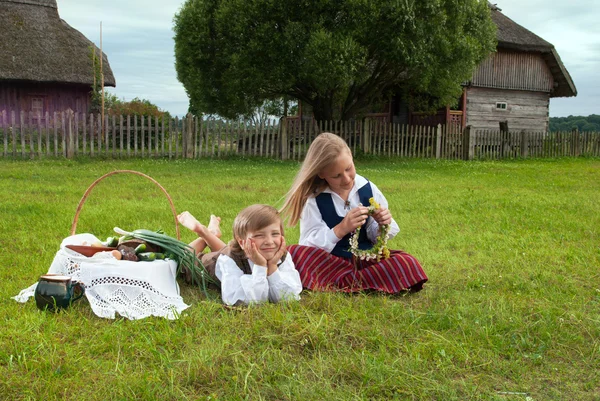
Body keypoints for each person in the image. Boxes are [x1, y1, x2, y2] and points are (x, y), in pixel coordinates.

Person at [280, 132, 427, 294]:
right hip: (330, 263)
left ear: (351, 156)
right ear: (322, 174)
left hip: (366, 260)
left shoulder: (367, 189)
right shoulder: (314, 199)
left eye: (349, 169)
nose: (346, 179)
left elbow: (377, 238)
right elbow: (307, 244)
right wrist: (341, 228)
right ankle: (362, 283)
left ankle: (342, 284)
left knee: (406, 262)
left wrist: (383, 223)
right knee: (296, 253)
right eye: (336, 176)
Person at [177, 204, 302, 306]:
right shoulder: (229, 260)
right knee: (182, 258)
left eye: (275, 234)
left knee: (231, 252)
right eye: (259, 235)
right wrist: (260, 266)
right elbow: (244, 300)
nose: (269, 241)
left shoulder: (281, 255)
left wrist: (273, 267)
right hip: (211, 265)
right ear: (242, 242)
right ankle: (203, 231)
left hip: (237, 253)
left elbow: (290, 296)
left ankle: (210, 234)